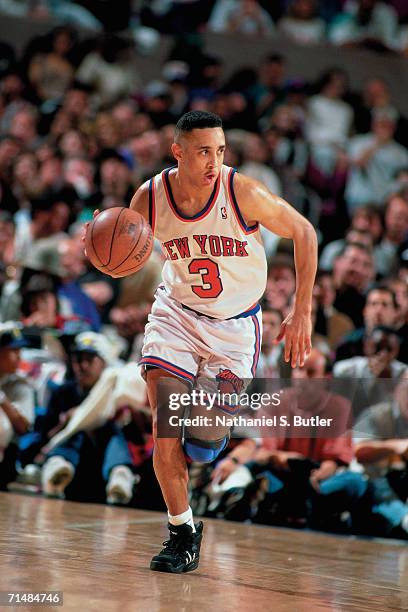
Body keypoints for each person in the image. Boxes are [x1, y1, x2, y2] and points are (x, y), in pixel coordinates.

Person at [88, 110, 317, 573]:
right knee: (165, 423)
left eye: (219, 150)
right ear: (178, 152)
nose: (213, 161)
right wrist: (101, 242)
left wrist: (302, 310)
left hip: (234, 331)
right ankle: (182, 532)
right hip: (176, 314)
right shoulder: (150, 196)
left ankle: (210, 435)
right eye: (202, 151)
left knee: (202, 441)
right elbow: (122, 244)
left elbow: (305, 232)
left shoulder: (242, 192)